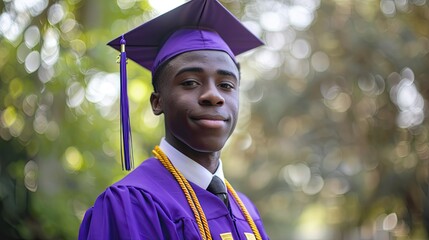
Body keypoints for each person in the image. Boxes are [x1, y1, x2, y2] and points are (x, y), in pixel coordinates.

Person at [78, 0, 269, 239]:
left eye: (226, 85)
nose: (213, 95)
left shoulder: (246, 210)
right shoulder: (131, 204)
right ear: (157, 102)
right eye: (190, 82)